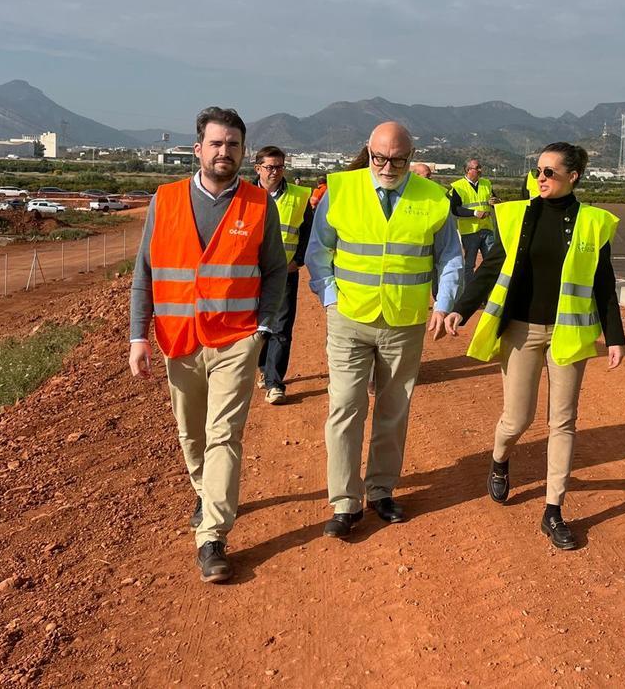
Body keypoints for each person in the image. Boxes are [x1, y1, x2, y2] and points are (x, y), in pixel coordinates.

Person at [128, 106, 287, 583]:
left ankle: (213, 537)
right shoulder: (166, 199)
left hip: (236, 338)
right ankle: (205, 489)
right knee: (191, 434)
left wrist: (262, 326)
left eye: (233, 145)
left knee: (224, 434)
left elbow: (276, 270)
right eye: (216, 143)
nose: (225, 152)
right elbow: (145, 274)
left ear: (243, 152)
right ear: (198, 149)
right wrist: (138, 335)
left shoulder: (259, 204)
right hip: (179, 340)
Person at [446, 143, 625, 551]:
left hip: (568, 334)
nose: (540, 178)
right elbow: (491, 268)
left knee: (563, 422)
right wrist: (462, 309)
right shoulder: (516, 215)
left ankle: (553, 509)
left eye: (549, 172)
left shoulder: (595, 223)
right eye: (538, 171)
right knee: (516, 420)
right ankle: (500, 459)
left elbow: (603, 284)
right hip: (521, 333)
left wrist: (614, 337)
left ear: (573, 176)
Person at [307, 122, 464, 539]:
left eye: (397, 159)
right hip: (349, 319)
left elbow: (449, 256)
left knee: (394, 410)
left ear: (411, 156)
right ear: (368, 151)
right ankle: (344, 502)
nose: (387, 166)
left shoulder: (434, 198)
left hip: (404, 322)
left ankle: (381, 490)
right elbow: (318, 250)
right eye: (379, 157)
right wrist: (330, 298)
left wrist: (444, 302)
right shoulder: (340, 189)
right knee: (344, 407)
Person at [252, 146, 314, 405]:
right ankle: (262, 367)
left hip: (284, 273)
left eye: (279, 166)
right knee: (254, 326)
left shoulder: (300, 196)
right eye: (269, 167)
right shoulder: (242, 195)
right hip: (249, 276)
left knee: (281, 328)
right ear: (258, 169)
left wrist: (298, 261)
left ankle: (275, 382)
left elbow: (309, 232)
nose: (275, 172)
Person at [449, 158, 498, 278]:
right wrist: (475, 213)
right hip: (470, 231)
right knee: (469, 264)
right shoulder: (458, 186)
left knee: (492, 262)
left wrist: (496, 202)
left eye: (480, 167)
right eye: (477, 168)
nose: (480, 170)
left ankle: (489, 289)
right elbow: (455, 209)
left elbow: (496, 199)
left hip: (487, 228)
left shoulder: (486, 183)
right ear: (468, 170)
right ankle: (469, 291)